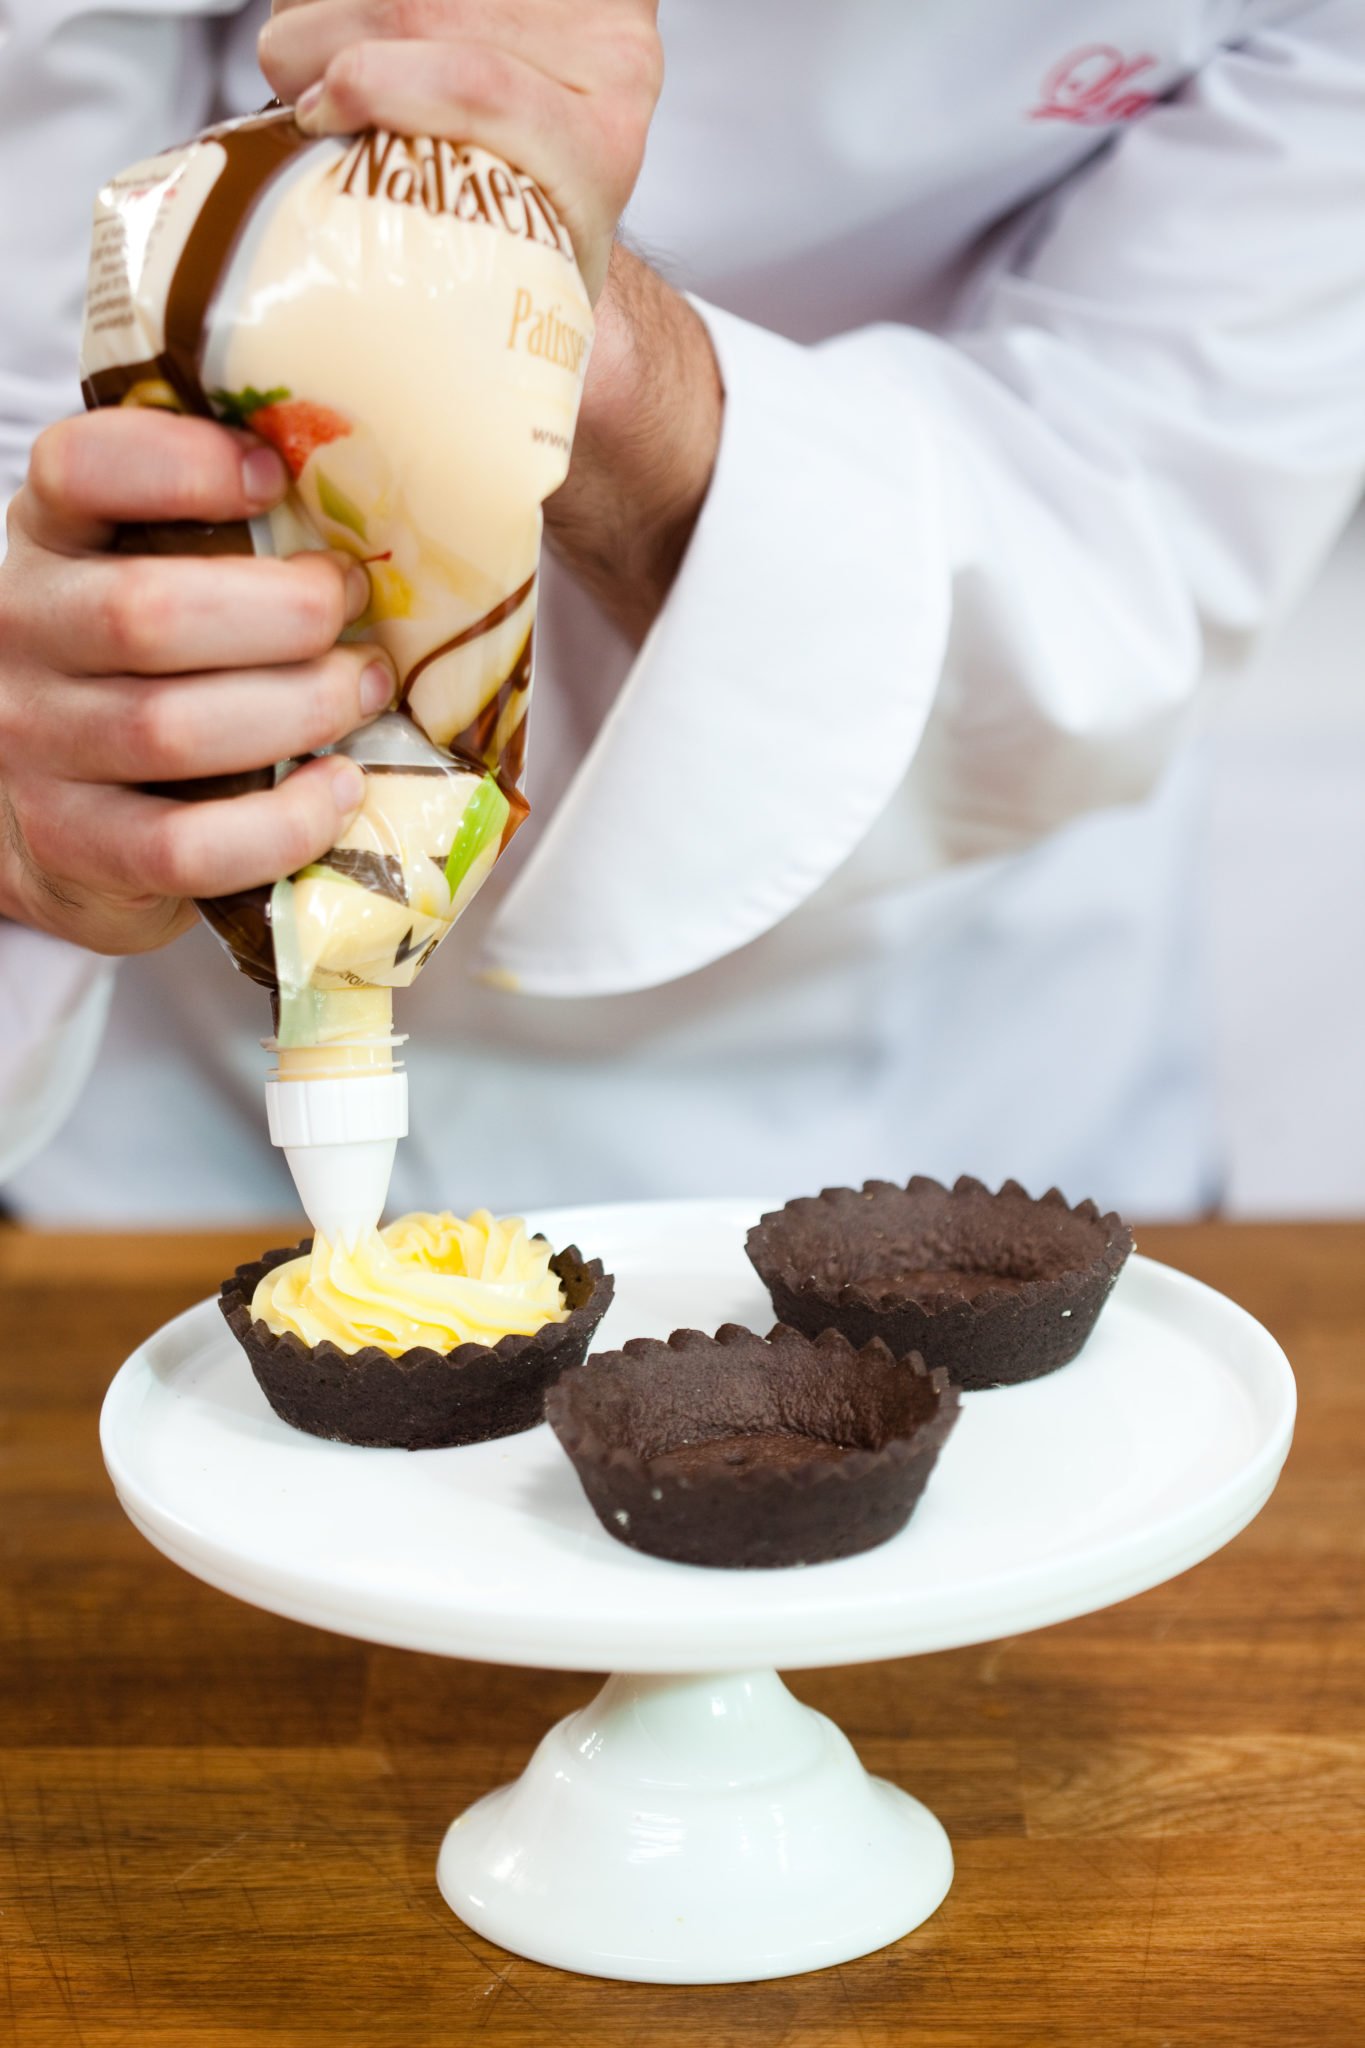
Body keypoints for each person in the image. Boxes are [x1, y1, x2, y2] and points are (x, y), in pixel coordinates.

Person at [1, 1, 1363, 1224]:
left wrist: (573, 333)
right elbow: (31, 361)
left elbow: (1127, 529)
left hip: (941, 1102)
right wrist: (46, 730)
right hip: (172, 1137)